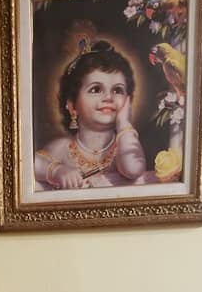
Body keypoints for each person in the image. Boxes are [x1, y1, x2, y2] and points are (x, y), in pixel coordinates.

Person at [34, 39, 147, 191]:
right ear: (72, 106)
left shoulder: (123, 147)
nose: (108, 97)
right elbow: (27, 164)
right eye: (96, 89)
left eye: (117, 90)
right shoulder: (61, 148)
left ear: (128, 101)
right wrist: (56, 171)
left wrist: (124, 124)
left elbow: (133, 169)